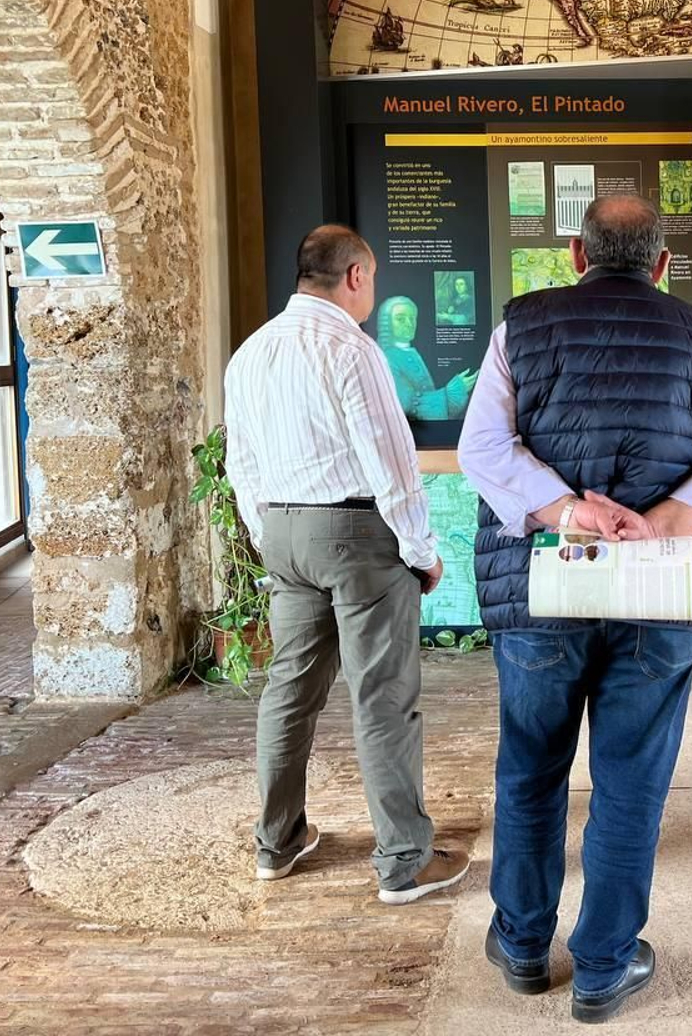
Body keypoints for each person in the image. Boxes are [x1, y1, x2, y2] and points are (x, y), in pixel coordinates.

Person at [458, 194, 692, 1024]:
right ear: (664, 263)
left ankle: (523, 945)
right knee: (632, 780)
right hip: (658, 595)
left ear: (575, 253)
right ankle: (603, 965)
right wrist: (656, 524)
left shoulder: (519, 328)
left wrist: (571, 512)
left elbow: (484, 449)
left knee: (530, 769)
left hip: (539, 593)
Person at [223, 223, 470, 906]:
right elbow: (391, 462)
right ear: (356, 275)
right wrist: (420, 552)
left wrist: (269, 535)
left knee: (289, 691)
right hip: (358, 533)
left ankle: (276, 842)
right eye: (376, 283)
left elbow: (240, 462)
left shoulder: (251, 353)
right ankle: (402, 861)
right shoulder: (351, 349)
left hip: (283, 530)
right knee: (382, 696)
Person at [376, 295, 478, 420]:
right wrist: (451, 392)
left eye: (412, 318)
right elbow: (405, 405)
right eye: (401, 319)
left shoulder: (409, 352)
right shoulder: (385, 358)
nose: (409, 324)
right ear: (387, 323)